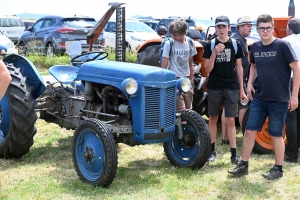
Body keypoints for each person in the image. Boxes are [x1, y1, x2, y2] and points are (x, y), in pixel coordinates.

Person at [228, 14, 300, 180]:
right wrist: (250, 83)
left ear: (272, 27)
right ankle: (243, 165)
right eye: (261, 28)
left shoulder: (283, 45)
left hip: (279, 99)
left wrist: (294, 95)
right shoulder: (255, 47)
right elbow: (253, 66)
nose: (265, 31)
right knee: (249, 130)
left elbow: (296, 69)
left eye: (268, 27)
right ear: (257, 29)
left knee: (276, 134)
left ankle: (278, 168)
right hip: (260, 98)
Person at [202, 16, 247, 164]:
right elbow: (207, 69)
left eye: (224, 26)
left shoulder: (235, 44)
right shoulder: (210, 45)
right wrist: (214, 53)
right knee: (213, 118)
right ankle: (211, 150)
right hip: (215, 86)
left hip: (231, 86)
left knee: (230, 120)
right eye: (218, 27)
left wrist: (242, 89)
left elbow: (239, 67)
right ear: (215, 28)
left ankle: (234, 154)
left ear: (229, 28)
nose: (221, 29)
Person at [221, 16, 253, 145]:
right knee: (242, 107)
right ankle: (246, 136)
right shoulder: (237, 41)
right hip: (236, 80)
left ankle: (225, 138)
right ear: (239, 27)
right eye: (247, 25)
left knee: (228, 109)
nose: (250, 27)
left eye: (251, 25)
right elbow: (235, 64)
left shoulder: (240, 40)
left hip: (235, 80)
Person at [161, 19, 197, 110]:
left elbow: (190, 62)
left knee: (189, 110)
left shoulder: (190, 43)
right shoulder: (169, 44)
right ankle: (181, 124)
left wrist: (191, 80)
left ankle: (185, 124)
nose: (173, 37)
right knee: (180, 110)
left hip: (187, 79)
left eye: (175, 35)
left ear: (183, 33)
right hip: (175, 79)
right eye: (171, 34)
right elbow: (164, 65)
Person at [282, 17, 300, 163]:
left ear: (289, 28)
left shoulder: (286, 41)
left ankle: (292, 154)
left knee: (291, 118)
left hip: (291, 80)